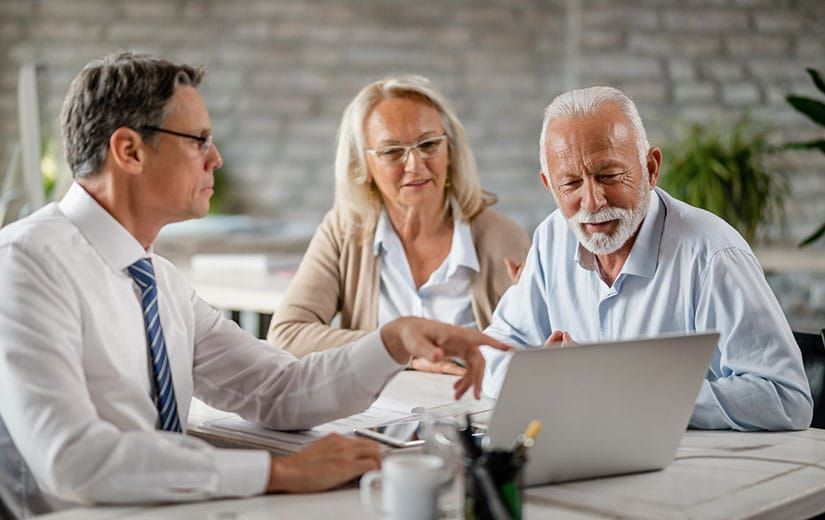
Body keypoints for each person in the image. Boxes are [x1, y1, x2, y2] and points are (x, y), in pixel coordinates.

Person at [0, 53, 510, 517]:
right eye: (199, 139)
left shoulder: (159, 281)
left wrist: (395, 340)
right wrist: (280, 473)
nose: (215, 158)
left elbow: (280, 389)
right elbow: (71, 459)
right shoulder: (25, 261)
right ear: (129, 150)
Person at [480, 86, 813, 431]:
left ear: (651, 168)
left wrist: (623, 390)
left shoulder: (713, 253)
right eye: (571, 184)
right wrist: (540, 376)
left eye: (609, 176)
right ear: (549, 186)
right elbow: (494, 350)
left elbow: (786, 397)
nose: (592, 201)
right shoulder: (552, 237)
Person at [266, 75, 530, 374]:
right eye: (392, 151)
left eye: (429, 145)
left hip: (471, 414)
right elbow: (287, 335)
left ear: (450, 152)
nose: (415, 165)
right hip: (377, 416)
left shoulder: (502, 237)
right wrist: (402, 350)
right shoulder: (344, 230)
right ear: (362, 165)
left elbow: (531, 349)